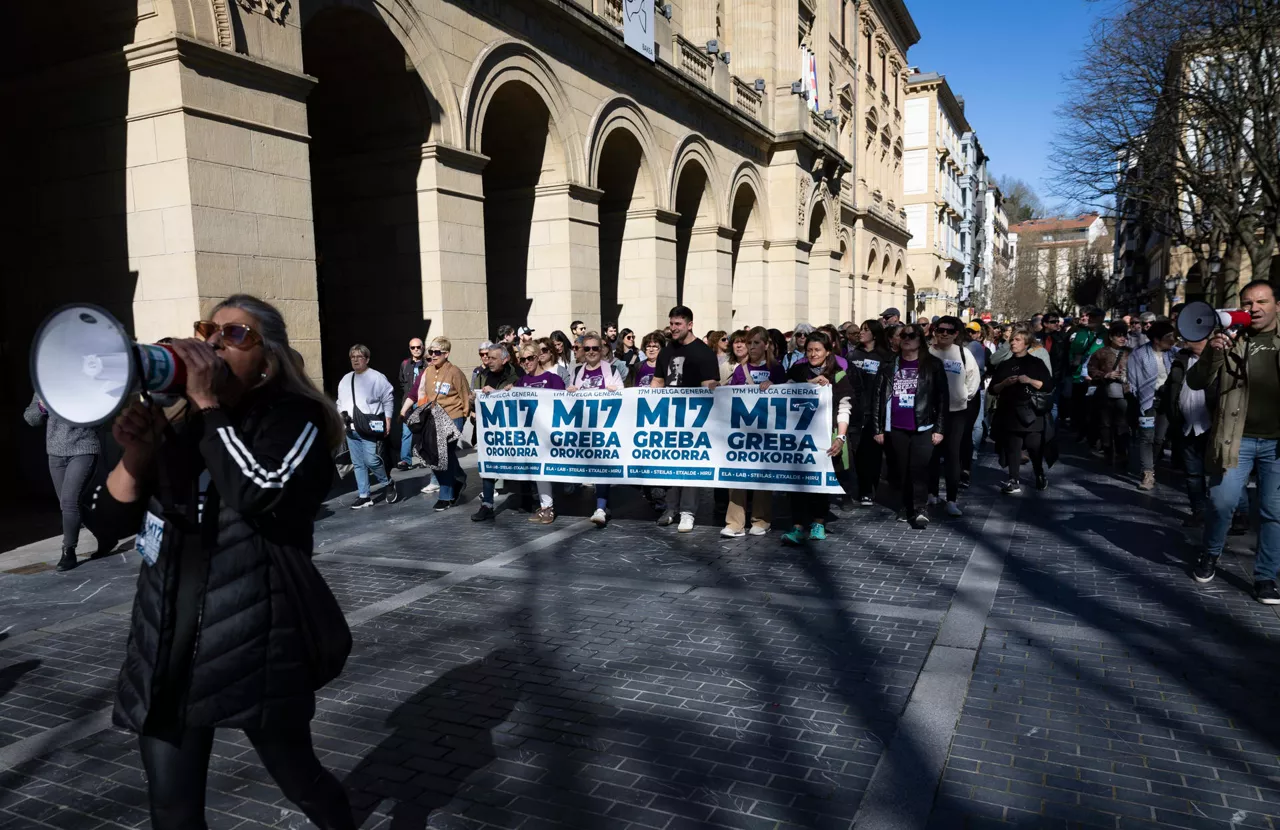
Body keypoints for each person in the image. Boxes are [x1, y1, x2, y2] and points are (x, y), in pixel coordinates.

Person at [82, 294, 355, 830]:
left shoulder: (291, 418)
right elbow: (106, 522)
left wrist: (208, 407)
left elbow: (259, 490)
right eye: (209, 331)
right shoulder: (184, 422)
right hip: (167, 639)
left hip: (252, 638)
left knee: (300, 779)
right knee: (171, 807)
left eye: (235, 335)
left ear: (269, 358)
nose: (214, 343)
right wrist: (138, 452)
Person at [1189, 280, 1280, 604]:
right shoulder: (1230, 338)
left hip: (1276, 445)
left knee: (1273, 512)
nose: (1254, 308)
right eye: (1247, 303)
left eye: (1262, 302)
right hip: (1234, 439)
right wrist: (1213, 353)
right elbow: (1196, 381)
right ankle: (1211, 552)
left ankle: (1266, 577)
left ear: (1277, 306)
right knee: (1222, 502)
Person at [24, 394, 115, 571]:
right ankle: (106, 536)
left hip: (83, 448)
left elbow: (102, 418)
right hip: (55, 453)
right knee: (70, 504)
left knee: (69, 502)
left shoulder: (83, 384)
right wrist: (42, 407)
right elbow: (30, 418)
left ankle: (68, 551)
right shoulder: (45, 386)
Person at [782, 330, 857, 544]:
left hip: (826, 435)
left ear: (828, 351)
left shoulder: (839, 374)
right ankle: (797, 525)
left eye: (818, 350)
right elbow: (784, 392)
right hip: (798, 437)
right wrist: (810, 383)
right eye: (809, 350)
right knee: (796, 482)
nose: (813, 354)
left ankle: (818, 523)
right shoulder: (798, 370)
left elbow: (844, 408)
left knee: (820, 480)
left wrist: (840, 437)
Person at [651, 305, 720, 532]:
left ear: (690, 325)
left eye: (678, 324)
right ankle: (670, 508)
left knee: (690, 465)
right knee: (670, 463)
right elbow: (658, 381)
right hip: (668, 418)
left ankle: (688, 512)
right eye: (671, 324)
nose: (673, 328)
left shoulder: (703, 352)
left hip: (693, 420)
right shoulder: (665, 351)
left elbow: (708, 386)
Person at [873, 323, 948, 529]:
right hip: (896, 426)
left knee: (920, 468)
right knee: (901, 469)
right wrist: (878, 428)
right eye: (903, 335)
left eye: (911, 335)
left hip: (923, 425)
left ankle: (920, 508)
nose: (906, 339)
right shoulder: (889, 365)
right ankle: (905, 505)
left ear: (920, 340)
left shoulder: (933, 365)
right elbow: (878, 397)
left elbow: (942, 398)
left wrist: (940, 429)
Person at [473, 344, 558, 523]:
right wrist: (494, 394)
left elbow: (564, 401)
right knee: (537, 471)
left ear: (538, 357)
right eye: (523, 359)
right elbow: (508, 401)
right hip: (528, 436)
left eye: (530, 358)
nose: (526, 362)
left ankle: (548, 506)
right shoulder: (521, 382)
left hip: (546, 433)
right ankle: (544, 507)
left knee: (544, 470)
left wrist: (572, 392)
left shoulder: (552, 378)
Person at [721, 326, 784, 539]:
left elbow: (787, 394)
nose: (752, 346)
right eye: (750, 343)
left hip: (766, 430)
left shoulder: (776, 368)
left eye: (757, 342)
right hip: (742, 430)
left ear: (766, 345)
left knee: (762, 475)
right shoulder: (740, 370)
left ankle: (761, 520)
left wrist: (775, 386)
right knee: (737, 476)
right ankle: (734, 522)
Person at [568, 333, 625, 528]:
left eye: (595, 348)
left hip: (604, 427)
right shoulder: (577, 371)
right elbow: (570, 399)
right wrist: (570, 392)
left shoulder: (612, 370)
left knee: (602, 466)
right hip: (584, 427)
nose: (591, 352)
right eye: (587, 348)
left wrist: (615, 391)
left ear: (602, 350)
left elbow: (623, 397)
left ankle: (600, 507)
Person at [406, 337, 470, 510]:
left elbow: (465, 395)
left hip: (453, 417)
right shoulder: (428, 371)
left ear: (446, 354)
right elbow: (420, 393)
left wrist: (465, 416)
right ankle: (459, 478)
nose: (433, 355)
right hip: (434, 418)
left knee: (443, 455)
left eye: (437, 352)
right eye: (431, 352)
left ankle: (445, 495)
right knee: (436, 455)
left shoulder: (454, 372)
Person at [926, 316, 980, 517]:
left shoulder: (964, 354)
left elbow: (973, 380)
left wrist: (963, 396)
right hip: (931, 412)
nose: (944, 334)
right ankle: (931, 493)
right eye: (940, 330)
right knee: (931, 454)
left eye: (949, 331)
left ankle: (951, 499)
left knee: (952, 455)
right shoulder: (927, 353)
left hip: (956, 412)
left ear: (956, 334)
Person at [989, 328, 1055, 494]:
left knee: (1034, 446)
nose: (1013, 343)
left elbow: (1048, 386)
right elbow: (993, 389)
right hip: (1009, 411)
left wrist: (1029, 380)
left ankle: (1039, 472)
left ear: (1027, 344)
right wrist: (1004, 383)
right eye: (1012, 340)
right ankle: (1013, 479)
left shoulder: (1036, 363)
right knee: (1013, 446)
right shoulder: (1005, 364)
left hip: (1031, 411)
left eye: (1017, 340)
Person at [336, 344, 396, 509]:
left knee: (371, 460)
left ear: (367, 359)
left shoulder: (376, 377)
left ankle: (387, 482)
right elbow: (339, 402)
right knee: (357, 463)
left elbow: (388, 399)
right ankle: (364, 495)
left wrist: (388, 419)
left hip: (369, 427)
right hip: (351, 428)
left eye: (359, 357)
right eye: (353, 357)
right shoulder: (345, 379)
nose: (355, 360)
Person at [1127, 320, 1176, 490]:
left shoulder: (1174, 354)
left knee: (1159, 438)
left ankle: (1151, 465)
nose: (1172, 340)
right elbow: (1132, 379)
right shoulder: (1139, 354)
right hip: (1147, 400)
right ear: (1156, 339)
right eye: (1168, 337)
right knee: (1146, 437)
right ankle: (1147, 473)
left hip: (1167, 401)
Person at [849, 320, 892, 506]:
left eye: (865, 330)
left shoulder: (884, 357)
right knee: (856, 452)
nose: (861, 332)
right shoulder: (852, 355)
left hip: (875, 410)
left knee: (872, 452)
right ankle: (859, 488)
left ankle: (869, 489)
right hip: (854, 409)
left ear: (875, 334)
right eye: (860, 329)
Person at [1087, 322, 1132, 466]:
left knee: (1122, 424)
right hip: (1106, 392)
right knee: (1105, 424)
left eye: (1124, 336)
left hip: (1125, 393)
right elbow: (1091, 369)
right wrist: (1105, 375)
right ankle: (1107, 451)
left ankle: (1122, 453)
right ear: (1111, 337)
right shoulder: (1101, 353)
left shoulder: (1131, 353)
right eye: (1119, 336)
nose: (1122, 339)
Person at [961, 322, 988, 488]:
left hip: (971, 394)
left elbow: (978, 371)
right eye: (968, 330)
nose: (971, 333)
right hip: (951, 398)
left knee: (971, 428)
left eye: (973, 331)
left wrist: (967, 394)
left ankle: (967, 463)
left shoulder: (974, 347)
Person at [395, 338, 426, 471]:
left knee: (424, 431)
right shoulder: (405, 364)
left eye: (418, 347)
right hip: (408, 401)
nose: (416, 350)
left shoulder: (428, 364)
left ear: (422, 347)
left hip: (423, 402)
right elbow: (402, 382)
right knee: (406, 432)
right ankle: (406, 460)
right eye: (413, 347)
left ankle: (425, 458)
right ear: (410, 349)